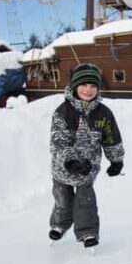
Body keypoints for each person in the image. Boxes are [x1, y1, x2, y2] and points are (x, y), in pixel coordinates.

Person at [48, 63, 124, 250]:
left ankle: (87, 231)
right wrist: (70, 161)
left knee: (85, 200)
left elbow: (111, 138)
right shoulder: (62, 112)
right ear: (75, 86)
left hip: (88, 167)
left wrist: (116, 160)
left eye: (93, 86)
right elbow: (59, 142)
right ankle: (60, 224)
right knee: (62, 198)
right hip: (63, 167)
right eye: (84, 85)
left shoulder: (104, 113)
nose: (88, 90)